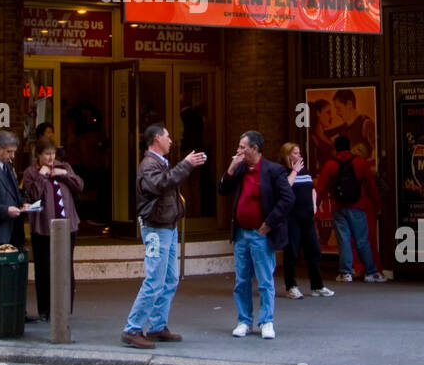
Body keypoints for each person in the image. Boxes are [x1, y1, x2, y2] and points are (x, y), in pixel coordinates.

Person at [121, 122, 206, 348]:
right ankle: (132, 328)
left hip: (166, 226)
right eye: (167, 136)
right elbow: (161, 184)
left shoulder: (158, 162)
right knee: (155, 280)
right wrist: (185, 165)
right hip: (156, 228)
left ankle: (158, 326)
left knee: (169, 278)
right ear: (157, 138)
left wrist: (183, 166)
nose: (171, 140)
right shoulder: (149, 164)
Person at [219, 131, 294, 339]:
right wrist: (231, 169)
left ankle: (266, 321)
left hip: (261, 233)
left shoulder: (273, 170)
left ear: (254, 148)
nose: (239, 151)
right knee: (241, 280)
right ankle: (244, 320)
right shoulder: (240, 169)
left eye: (243, 147)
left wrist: (269, 223)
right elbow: (223, 190)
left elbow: (288, 199)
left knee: (264, 280)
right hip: (242, 233)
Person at [22, 138, 83, 319]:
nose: (50, 158)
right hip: (43, 228)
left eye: (53, 154)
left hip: (67, 225)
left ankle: (65, 308)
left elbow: (79, 186)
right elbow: (33, 194)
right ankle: (46, 310)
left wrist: (63, 174)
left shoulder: (64, 167)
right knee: (44, 267)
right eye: (47, 154)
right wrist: (42, 175)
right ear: (38, 155)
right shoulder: (30, 172)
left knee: (66, 266)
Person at [316, 135, 387, 282]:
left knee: (343, 240)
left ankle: (346, 272)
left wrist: (315, 207)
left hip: (338, 207)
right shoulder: (360, 162)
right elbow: (372, 187)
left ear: (335, 148)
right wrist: (377, 205)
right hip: (358, 206)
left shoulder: (330, 164)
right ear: (349, 145)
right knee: (362, 240)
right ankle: (371, 272)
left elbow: (320, 189)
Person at [278, 141, 332, 299]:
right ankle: (291, 286)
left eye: (299, 152)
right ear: (287, 155)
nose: (299, 155)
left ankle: (317, 286)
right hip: (292, 218)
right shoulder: (282, 171)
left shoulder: (305, 171)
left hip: (307, 217)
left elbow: (312, 188)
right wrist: (294, 171)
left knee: (314, 251)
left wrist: (314, 203)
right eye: (295, 153)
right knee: (292, 252)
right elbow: (284, 188)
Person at [332, 89, 375, 162]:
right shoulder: (344, 129)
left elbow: (376, 153)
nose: (337, 113)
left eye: (338, 108)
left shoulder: (365, 123)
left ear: (349, 104)